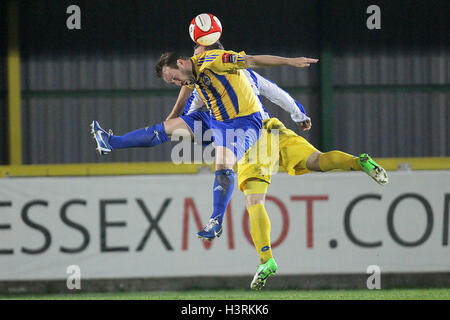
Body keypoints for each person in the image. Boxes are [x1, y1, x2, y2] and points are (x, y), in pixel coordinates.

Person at [91, 42, 388, 290]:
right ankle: (358, 161)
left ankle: (262, 257)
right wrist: (299, 114)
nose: (197, 58)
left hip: (251, 135)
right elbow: (275, 93)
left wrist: (291, 65)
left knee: (254, 201)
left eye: (175, 76)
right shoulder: (220, 79)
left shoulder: (219, 67)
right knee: (318, 161)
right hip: (269, 127)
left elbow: (246, 69)